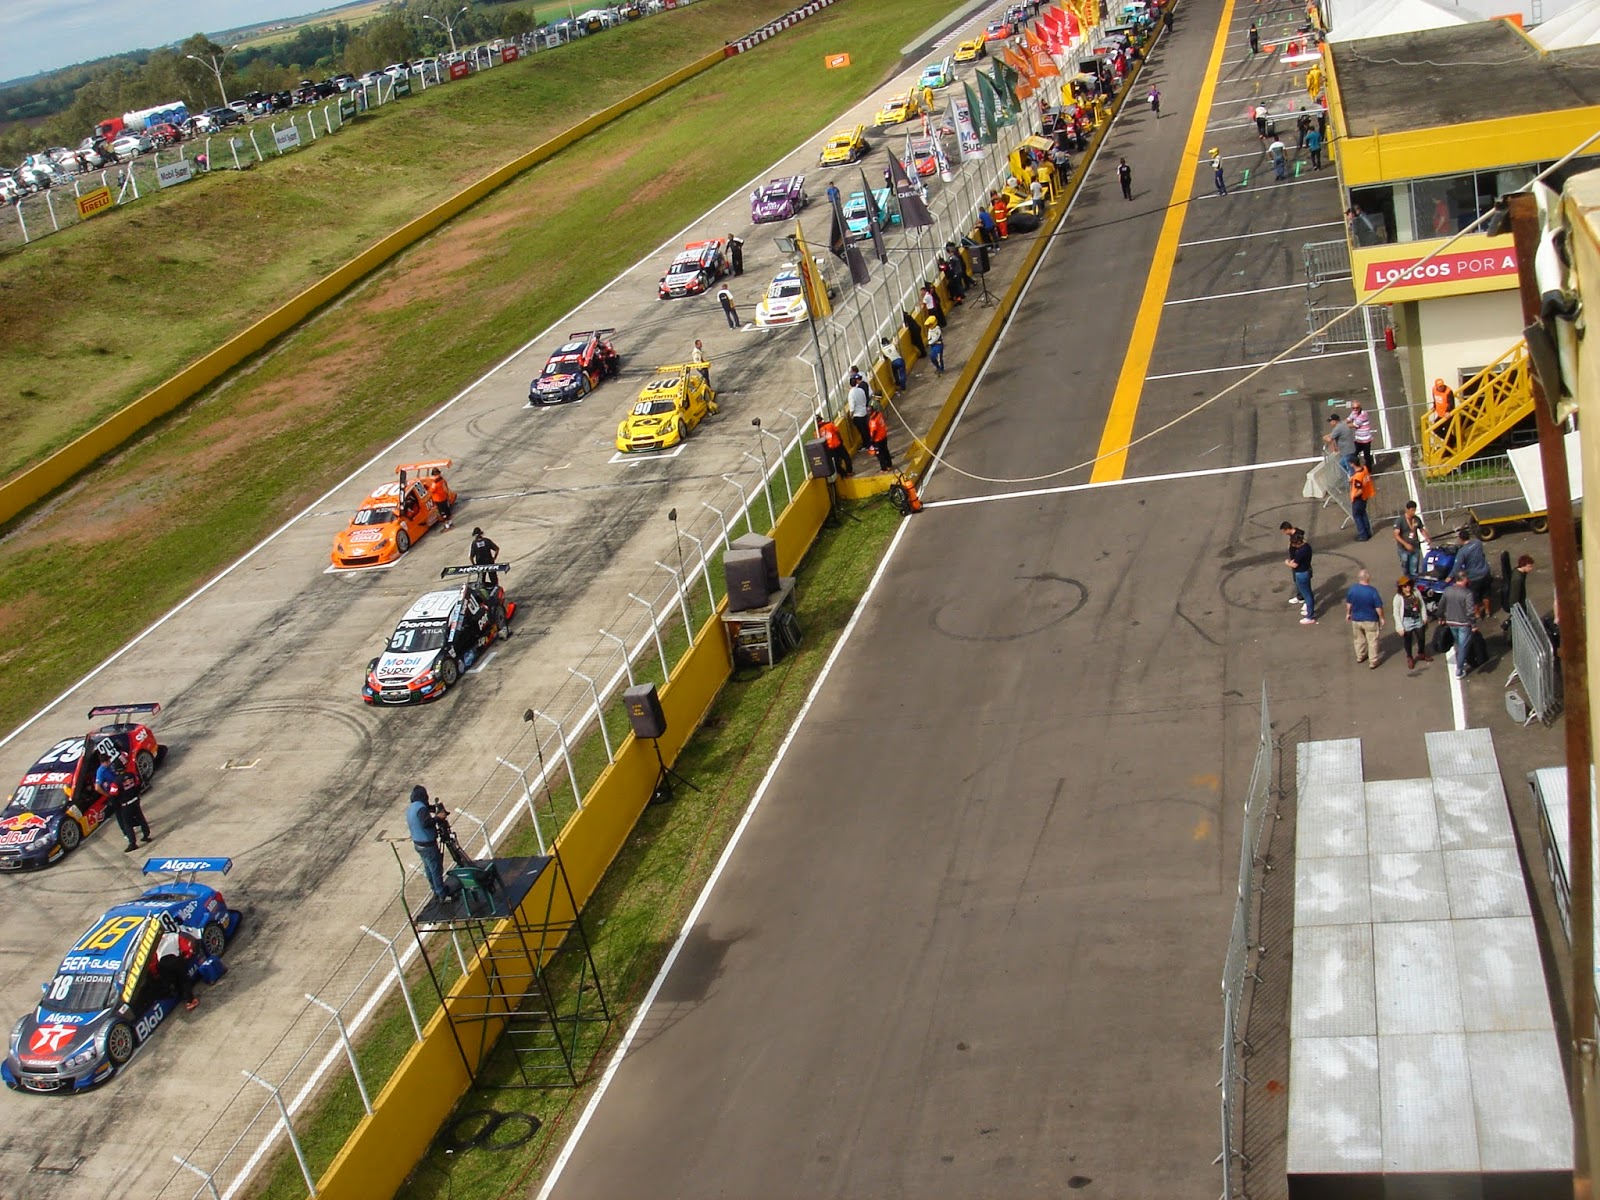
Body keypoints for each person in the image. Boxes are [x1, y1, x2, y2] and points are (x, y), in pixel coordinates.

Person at [406, 785, 459, 903]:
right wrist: (438, 818)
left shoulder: (412, 808)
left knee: (429, 868)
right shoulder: (421, 809)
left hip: (418, 844)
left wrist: (434, 808)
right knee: (436, 869)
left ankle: (436, 890)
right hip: (428, 845)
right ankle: (442, 894)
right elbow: (426, 823)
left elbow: (425, 812)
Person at [95, 749, 150, 852]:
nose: (109, 763)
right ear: (102, 763)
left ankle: (132, 840)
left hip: (122, 794)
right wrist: (109, 795)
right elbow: (97, 787)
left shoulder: (115, 778)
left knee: (127, 819)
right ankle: (131, 833)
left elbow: (115, 790)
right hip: (124, 795)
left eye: (109, 761)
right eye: (107, 762)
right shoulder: (101, 772)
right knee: (125, 816)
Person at [155, 925, 202, 1011]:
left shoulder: (155, 943)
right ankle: (190, 1001)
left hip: (162, 965)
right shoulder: (173, 935)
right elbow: (186, 948)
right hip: (174, 959)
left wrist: (156, 973)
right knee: (184, 980)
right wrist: (186, 957)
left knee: (174, 981)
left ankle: (180, 996)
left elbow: (153, 961)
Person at [1439, 571, 1477, 678]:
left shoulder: (1447, 590)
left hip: (1451, 621)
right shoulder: (1467, 593)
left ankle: (1461, 659)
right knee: (1463, 646)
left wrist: (1440, 617)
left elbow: (1441, 605)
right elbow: (1470, 611)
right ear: (1464, 579)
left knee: (1458, 642)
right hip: (1464, 623)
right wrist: (1473, 624)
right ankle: (1459, 670)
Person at [1345, 569, 1385, 667]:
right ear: (1368, 578)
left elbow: (1349, 603)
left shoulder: (1352, 589)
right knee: (1372, 641)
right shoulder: (1372, 591)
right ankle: (1373, 661)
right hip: (1370, 620)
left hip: (1356, 619)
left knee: (1358, 639)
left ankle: (1360, 656)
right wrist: (1382, 618)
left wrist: (1348, 613)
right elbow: (1378, 607)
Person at [1394, 577, 1432, 669]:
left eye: (1409, 584)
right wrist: (1399, 627)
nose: (1408, 587)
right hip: (1407, 620)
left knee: (1421, 637)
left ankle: (1421, 653)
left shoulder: (1416, 592)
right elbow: (1396, 613)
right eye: (1405, 586)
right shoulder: (1398, 598)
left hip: (1417, 618)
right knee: (1408, 640)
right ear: (1401, 588)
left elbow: (1422, 605)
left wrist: (1424, 616)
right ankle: (1410, 657)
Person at [1454, 526, 1492, 617]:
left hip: (1474, 577)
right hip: (1485, 573)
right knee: (1486, 594)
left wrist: (1451, 576)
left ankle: (1477, 614)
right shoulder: (1478, 543)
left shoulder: (1462, 552)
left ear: (1461, 539)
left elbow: (1457, 566)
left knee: (1475, 597)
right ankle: (1487, 611)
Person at [1287, 531, 1316, 623]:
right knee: (1308, 592)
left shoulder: (1301, 552)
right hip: (1307, 570)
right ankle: (1309, 610)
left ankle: (1310, 616)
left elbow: (1294, 565)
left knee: (1306, 594)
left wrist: (1287, 563)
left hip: (1301, 573)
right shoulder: (1307, 547)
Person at [1393, 500, 1426, 577]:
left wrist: (1427, 538)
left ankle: (1414, 582)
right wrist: (1406, 544)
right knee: (1405, 568)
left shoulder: (1417, 519)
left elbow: (1421, 529)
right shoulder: (1400, 521)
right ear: (1407, 510)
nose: (1413, 512)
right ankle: (1407, 582)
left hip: (1415, 547)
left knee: (1414, 569)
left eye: (1414, 510)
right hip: (1403, 549)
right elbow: (1396, 535)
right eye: (1412, 510)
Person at [1349, 463, 1374, 540]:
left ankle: (1363, 535)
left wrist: (1353, 495)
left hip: (1358, 499)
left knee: (1357, 516)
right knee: (1363, 514)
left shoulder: (1357, 477)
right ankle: (1368, 532)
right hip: (1365, 497)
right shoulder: (1364, 469)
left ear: (1353, 464)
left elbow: (1359, 490)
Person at [1347, 400, 1374, 469]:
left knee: (1366, 456)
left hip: (1366, 440)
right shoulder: (1353, 413)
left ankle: (1368, 470)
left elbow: (1354, 425)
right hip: (1358, 439)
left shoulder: (1363, 415)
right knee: (1354, 453)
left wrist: (1342, 426)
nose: (1355, 409)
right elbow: (1348, 419)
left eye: (1357, 408)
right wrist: (1341, 424)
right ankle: (1358, 468)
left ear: (1360, 407)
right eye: (1353, 408)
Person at [846, 376, 872, 449]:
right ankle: (869, 442)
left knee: (862, 431)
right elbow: (864, 400)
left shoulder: (851, 393)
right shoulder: (861, 390)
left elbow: (852, 406)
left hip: (857, 414)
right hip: (864, 412)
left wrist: (851, 415)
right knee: (866, 429)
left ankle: (866, 444)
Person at [867, 406, 893, 471]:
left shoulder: (873, 420)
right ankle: (889, 465)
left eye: (869, 411)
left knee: (880, 454)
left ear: (872, 411)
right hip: (883, 436)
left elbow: (874, 431)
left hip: (878, 439)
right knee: (885, 451)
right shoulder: (879, 414)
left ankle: (884, 468)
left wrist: (871, 441)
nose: (868, 413)